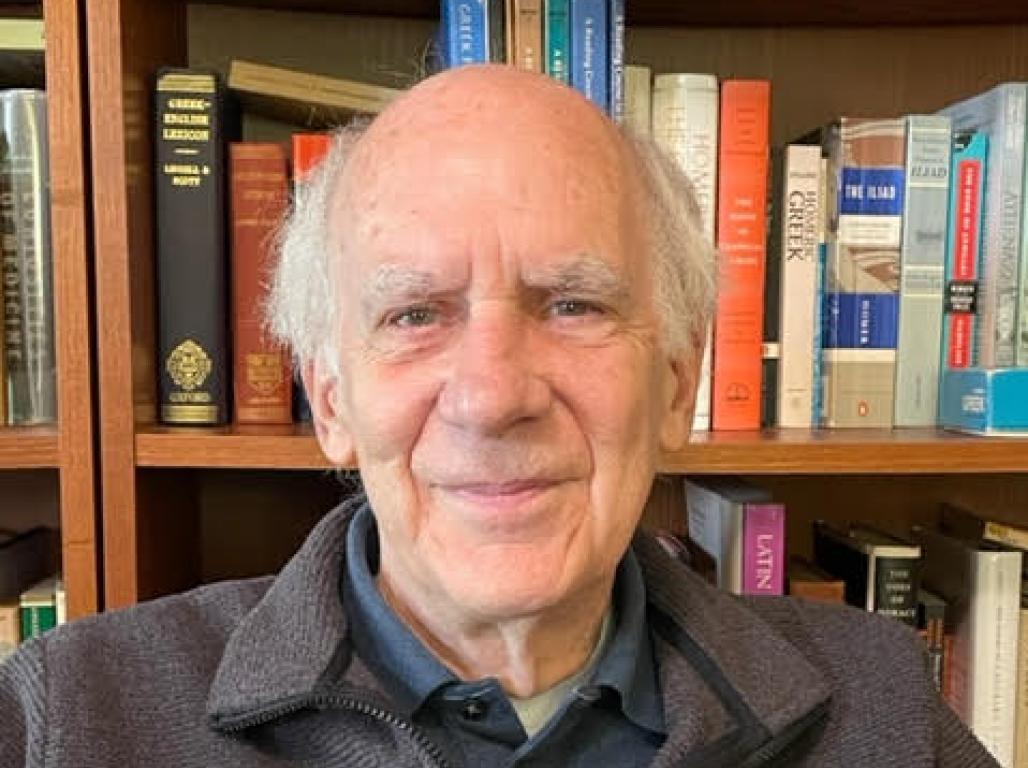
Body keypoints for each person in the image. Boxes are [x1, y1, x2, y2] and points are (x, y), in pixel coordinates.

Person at [0, 64, 998, 768]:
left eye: (572, 304)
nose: (492, 395)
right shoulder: (70, 717)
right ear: (334, 402)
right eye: (413, 315)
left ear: (675, 386)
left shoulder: (883, 707)